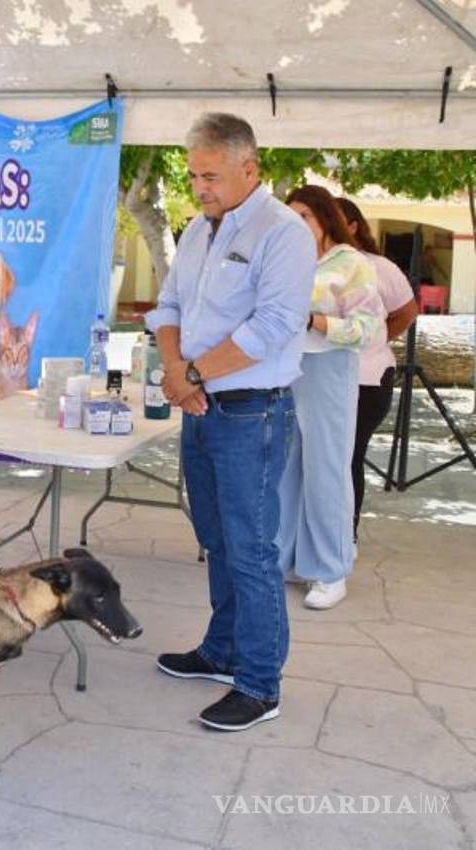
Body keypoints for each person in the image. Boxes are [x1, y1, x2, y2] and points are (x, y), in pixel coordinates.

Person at [146, 113, 316, 732]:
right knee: (216, 540)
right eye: (193, 176)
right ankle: (221, 651)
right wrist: (175, 369)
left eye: (210, 176)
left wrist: (191, 375)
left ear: (250, 168)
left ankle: (259, 682)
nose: (199, 188)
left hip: (252, 412)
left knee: (252, 549)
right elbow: (168, 307)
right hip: (201, 405)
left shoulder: (284, 233)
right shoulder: (197, 230)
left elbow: (272, 326)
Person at [280, 187, 382, 610]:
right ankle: (284, 560)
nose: (296, 223)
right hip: (284, 369)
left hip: (328, 368)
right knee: (284, 469)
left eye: (304, 215)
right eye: (291, 216)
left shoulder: (351, 263)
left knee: (326, 471)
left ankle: (330, 570)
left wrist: (316, 321)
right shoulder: (284, 259)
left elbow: (367, 327)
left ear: (325, 217)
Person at [335, 198, 418, 539]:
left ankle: (345, 535)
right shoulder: (309, 265)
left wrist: (376, 337)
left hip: (367, 379)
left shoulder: (379, 267)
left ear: (353, 225)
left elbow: (407, 311)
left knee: (348, 457)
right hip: (318, 378)